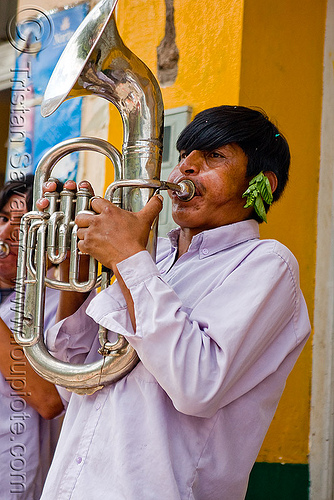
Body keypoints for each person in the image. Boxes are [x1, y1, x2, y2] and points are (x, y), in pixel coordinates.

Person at [39, 105, 310, 500]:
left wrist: (127, 258)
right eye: (184, 155)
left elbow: (195, 385)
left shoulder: (267, 264)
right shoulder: (154, 259)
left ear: (260, 184)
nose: (186, 167)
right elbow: (75, 376)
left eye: (214, 156)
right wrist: (73, 271)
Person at [0, 175, 64, 499]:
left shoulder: (58, 300)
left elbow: (50, 400)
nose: (6, 234)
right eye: (2, 220)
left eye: (23, 223)